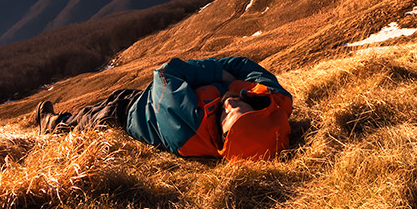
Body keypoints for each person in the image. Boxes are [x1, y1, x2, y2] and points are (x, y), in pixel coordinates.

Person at [35, 56, 292, 161]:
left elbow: (166, 73)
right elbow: (245, 63)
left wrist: (220, 74)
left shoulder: (189, 130)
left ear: (222, 136)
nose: (231, 104)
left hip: (126, 114)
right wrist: (231, 81)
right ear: (259, 110)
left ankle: (51, 125)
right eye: (242, 108)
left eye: (228, 118)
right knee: (100, 104)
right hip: (146, 100)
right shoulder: (274, 102)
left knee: (85, 119)